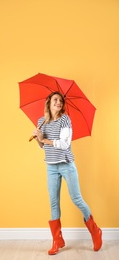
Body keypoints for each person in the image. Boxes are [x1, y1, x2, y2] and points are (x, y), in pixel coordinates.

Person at [32, 91, 102, 255]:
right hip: (51, 166)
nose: (59, 103)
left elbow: (64, 144)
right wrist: (37, 137)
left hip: (66, 164)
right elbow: (42, 146)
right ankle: (57, 240)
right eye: (55, 100)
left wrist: (43, 139)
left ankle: (95, 231)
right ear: (48, 101)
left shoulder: (65, 120)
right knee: (53, 202)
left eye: (61, 101)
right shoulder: (41, 122)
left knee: (76, 198)